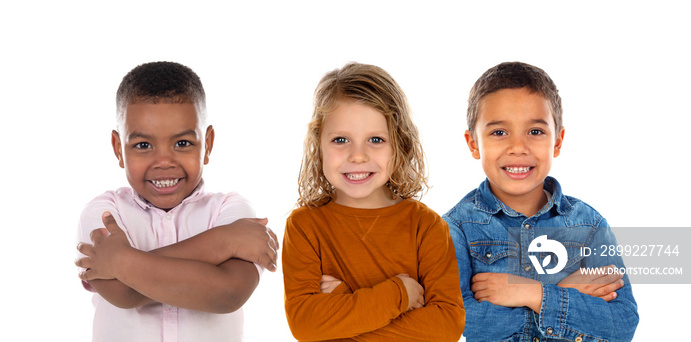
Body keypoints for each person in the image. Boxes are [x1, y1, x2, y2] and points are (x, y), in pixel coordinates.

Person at [74, 61, 278, 341]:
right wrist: (224, 242)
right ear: (117, 149)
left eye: (182, 143)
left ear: (208, 143)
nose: (164, 162)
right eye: (143, 145)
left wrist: (120, 260)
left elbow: (228, 294)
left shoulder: (231, 211)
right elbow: (123, 293)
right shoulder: (104, 213)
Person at [443, 61, 639, 341]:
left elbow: (622, 324)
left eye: (535, 131)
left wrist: (532, 293)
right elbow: (459, 321)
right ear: (473, 143)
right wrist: (566, 294)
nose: (518, 147)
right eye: (499, 132)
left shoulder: (589, 224)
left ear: (557, 142)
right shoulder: (456, 228)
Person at [282, 62, 465, 341]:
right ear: (318, 145)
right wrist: (399, 294)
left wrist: (342, 304)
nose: (358, 156)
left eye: (376, 140)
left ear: (400, 144)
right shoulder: (304, 226)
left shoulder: (426, 226)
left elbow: (446, 327)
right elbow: (305, 324)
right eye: (341, 139)